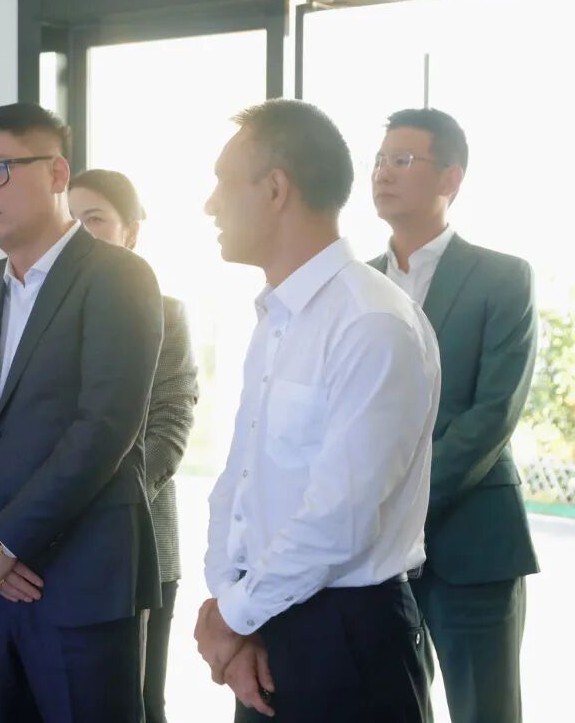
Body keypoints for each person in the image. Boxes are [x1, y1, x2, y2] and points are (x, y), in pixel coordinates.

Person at [194, 99, 438, 722]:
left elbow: (340, 519)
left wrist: (232, 614)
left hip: (349, 639)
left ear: (276, 189)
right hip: (266, 620)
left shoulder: (371, 320)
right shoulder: (277, 316)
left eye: (222, 182)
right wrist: (232, 605)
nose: (210, 204)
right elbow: (239, 481)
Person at [0, 103, 163, 722]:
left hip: (81, 582)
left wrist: (7, 539)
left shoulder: (118, 276)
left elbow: (104, 427)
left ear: (57, 173)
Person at [369, 107, 538, 723]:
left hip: (472, 541)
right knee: (385, 707)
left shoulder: (503, 277)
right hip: (372, 554)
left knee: (486, 712)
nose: (383, 173)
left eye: (403, 160)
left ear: (450, 178)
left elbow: (492, 415)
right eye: (379, 160)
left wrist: (397, 504)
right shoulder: (355, 284)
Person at [69, 168, 199, 723]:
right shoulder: (31, 316)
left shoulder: (166, 313)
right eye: (70, 219)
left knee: (138, 703)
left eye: (95, 219)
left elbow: (171, 424)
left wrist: (93, 503)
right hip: (43, 547)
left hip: (136, 539)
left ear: (132, 231)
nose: (80, 232)